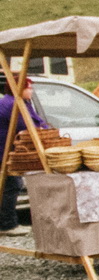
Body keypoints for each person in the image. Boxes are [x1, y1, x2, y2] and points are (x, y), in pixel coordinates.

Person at [0, 79, 50, 237]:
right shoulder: (13, 104)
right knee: (12, 185)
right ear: (19, 88)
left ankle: (7, 222)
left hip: (7, 150)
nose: (31, 91)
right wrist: (43, 130)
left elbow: (37, 120)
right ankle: (7, 224)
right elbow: (27, 127)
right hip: (5, 151)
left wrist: (45, 127)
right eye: (29, 88)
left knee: (9, 185)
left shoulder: (21, 102)